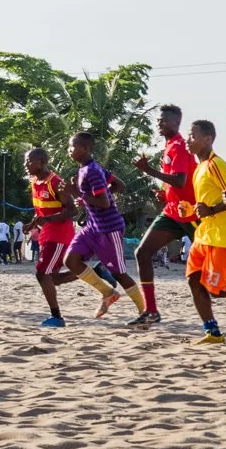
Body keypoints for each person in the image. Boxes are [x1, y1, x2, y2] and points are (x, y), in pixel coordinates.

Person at [62, 131, 149, 320]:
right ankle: (108, 293)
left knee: (119, 273)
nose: (69, 150)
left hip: (109, 229)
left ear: (85, 148)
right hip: (93, 228)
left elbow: (104, 203)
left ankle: (145, 312)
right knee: (71, 261)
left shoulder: (92, 171)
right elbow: (119, 185)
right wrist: (87, 200)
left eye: (72, 146)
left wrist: (78, 193)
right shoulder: (88, 168)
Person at [183, 120, 226, 344]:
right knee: (193, 280)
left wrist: (211, 209)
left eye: (192, 136)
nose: (188, 140)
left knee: (218, 290)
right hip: (204, 235)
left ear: (208, 139)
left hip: (224, 237)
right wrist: (193, 209)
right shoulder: (198, 168)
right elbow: (206, 203)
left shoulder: (216, 165)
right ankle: (212, 332)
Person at [25, 146, 78, 327]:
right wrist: (32, 224)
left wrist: (47, 219)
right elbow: (41, 210)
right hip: (46, 234)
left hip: (60, 235)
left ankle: (57, 317)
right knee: (52, 278)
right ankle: (96, 271)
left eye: (30, 161)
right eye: (26, 161)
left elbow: (72, 210)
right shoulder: (34, 182)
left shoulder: (56, 182)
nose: (26, 164)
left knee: (42, 273)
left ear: (42, 162)